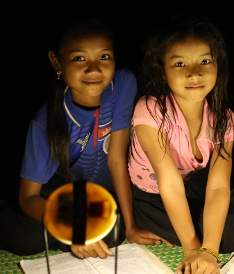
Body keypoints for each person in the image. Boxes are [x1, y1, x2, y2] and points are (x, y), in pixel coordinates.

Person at [128, 15, 234, 274]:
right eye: (179, 63)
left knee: (226, 229)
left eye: (204, 61)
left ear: (217, 65)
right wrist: (193, 251)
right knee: (230, 237)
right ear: (162, 69)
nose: (194, 73)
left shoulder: (224, 117)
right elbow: (170, 184)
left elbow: (217, 187)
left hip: (193, 189)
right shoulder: (151, 110)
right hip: (153, 198)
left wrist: (208, 252)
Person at [0, 18, 148, 258]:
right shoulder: (45, 122)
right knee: (27, 239)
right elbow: (28, 198)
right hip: (65, 195)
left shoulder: (123, 84)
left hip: (98, 195)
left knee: (112, 234)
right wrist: (73, 230)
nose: (94, 69)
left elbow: (117, 159)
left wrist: (131, 227)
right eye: (80, 58)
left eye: (104, 57)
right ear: (56, 62)